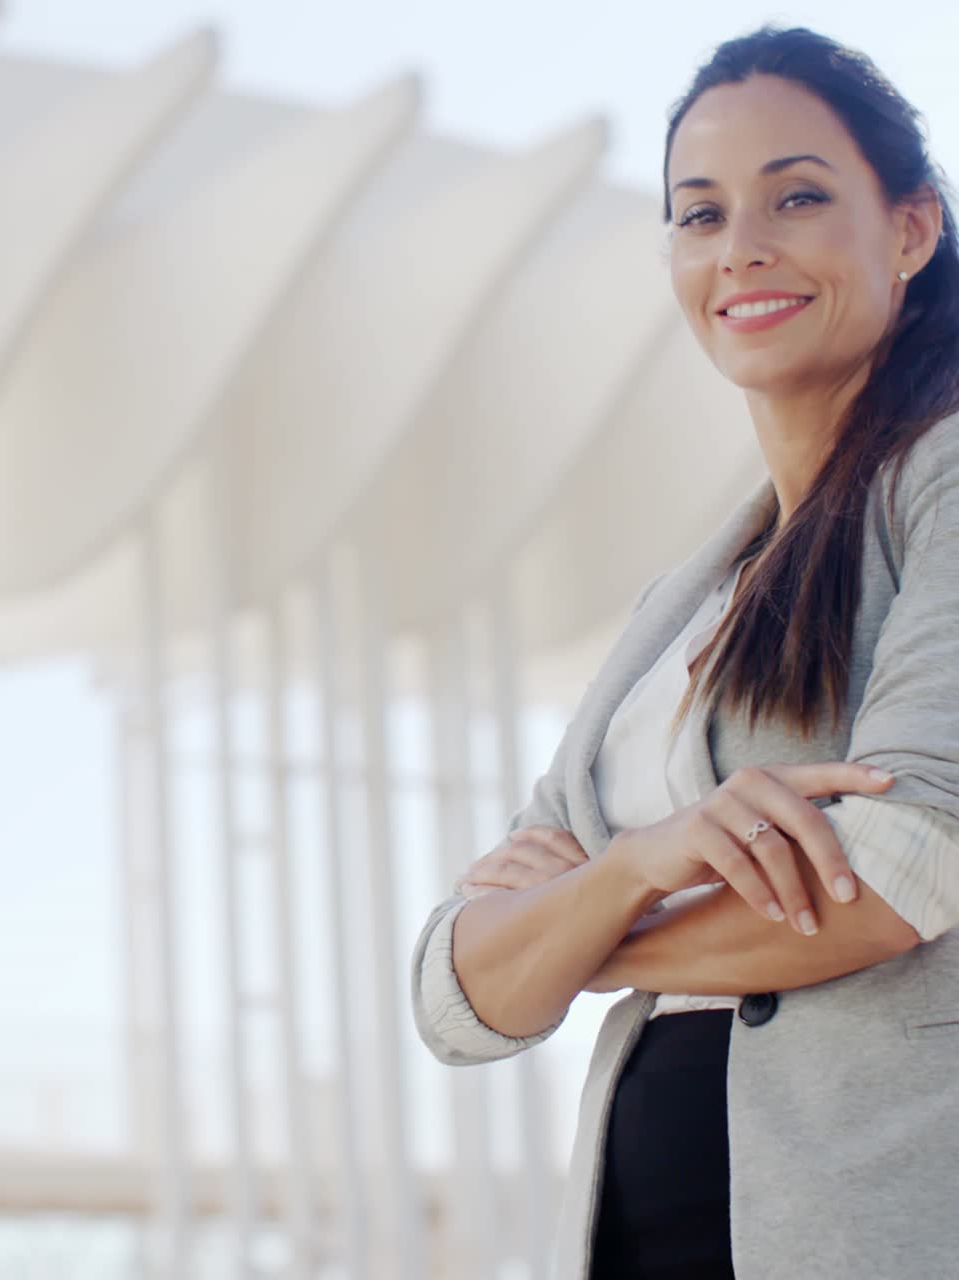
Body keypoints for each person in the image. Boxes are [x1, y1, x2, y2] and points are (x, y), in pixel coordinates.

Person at [410, 25, 959, 1280]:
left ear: (912, 229)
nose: (741, 248)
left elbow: (902, 869)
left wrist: (573, 932)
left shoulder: (934, 485)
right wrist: (634, 869)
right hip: (638, 1233)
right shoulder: (682, 601)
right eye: (698, 214)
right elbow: (450, 997)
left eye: (798, 197)